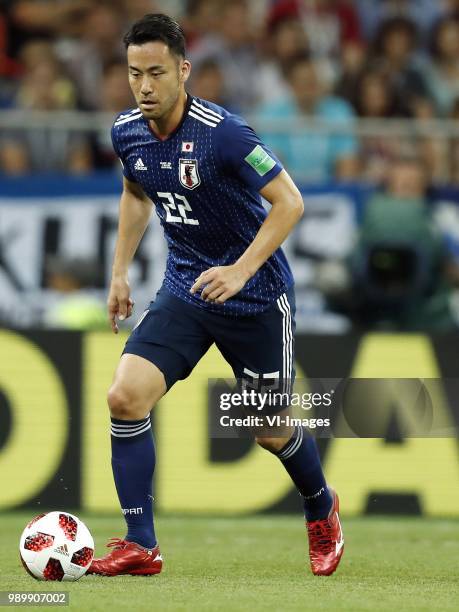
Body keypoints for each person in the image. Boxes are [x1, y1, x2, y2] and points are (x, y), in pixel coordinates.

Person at [88, 13, 343, 578]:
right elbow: (135, 192)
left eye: (156, 73)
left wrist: (241, 270)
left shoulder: (224, 132)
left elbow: (290, 202)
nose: (145, 86)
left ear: (183, 70)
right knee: (125, 397)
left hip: (254, 296)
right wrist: (119, 273)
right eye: (134, 74)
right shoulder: (126, 131)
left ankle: (320, 505)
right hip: (185, 287)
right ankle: (141, 544)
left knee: (268, 429)